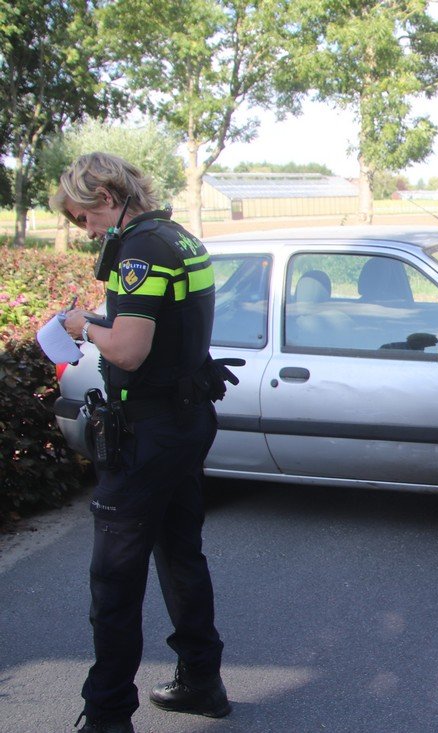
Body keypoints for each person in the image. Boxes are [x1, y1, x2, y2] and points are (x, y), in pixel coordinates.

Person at [52, 153, 232, 732]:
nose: (87, 231)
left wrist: (82, 325)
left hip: (149, 432)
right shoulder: (179, 239)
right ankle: (201, 681)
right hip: (184, 420)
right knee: (181, 555)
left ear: (106, 195)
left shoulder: (139, 250)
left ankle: (106, 716)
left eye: (84, 217)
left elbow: (128, 350)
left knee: (115, 577)